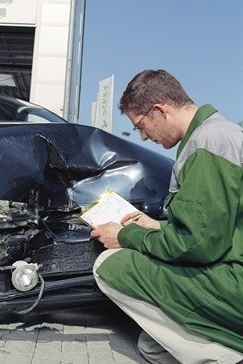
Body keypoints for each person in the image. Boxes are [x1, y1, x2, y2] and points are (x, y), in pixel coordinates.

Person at [90, 69, 243, 364]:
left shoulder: (207, 145)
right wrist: (157, 226)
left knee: (109, 265)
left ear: (159, 110)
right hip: (234, 269)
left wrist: (124, 236)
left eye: (141, 126)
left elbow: (197, 245)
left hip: (236, 283)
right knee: (153, 347)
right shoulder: (220, 134)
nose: (144, 136)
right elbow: (221, 226)